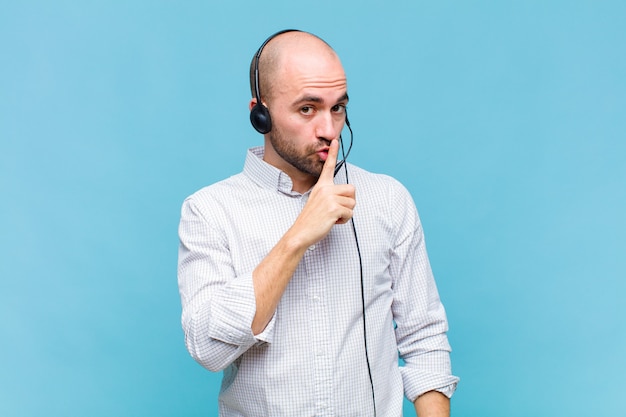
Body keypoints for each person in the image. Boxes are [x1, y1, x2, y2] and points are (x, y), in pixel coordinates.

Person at [177, 29, 459, 416]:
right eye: (307, 109)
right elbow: (208, 350)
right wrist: (297, 237)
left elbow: (424, 339)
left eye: (338, 107)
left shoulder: (387, 200)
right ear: (260, 114)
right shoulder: (210, 210)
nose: (329, 129)